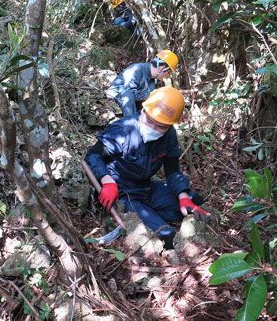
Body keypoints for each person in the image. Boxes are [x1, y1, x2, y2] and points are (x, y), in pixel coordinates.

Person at [85, 86, 210, 250]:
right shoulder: (124, 130)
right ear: (143, 109)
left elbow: (172, 169)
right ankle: (152, 219)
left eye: (161, 126)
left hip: (146, 187)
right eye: (149, 121)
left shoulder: (169, 136)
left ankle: (155, 212)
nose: (153, 128)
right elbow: (92, 155)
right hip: (121, 192)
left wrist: (183, 196)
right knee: (165, 234)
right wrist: (107, 182)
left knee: (195, 202)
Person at [106, 50, 178, 117]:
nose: (166, 75)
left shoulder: (152, 80)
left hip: (130, 105)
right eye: (168, 72)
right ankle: (131, 125)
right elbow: (128, 93)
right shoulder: (136, 69)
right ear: (162, 68)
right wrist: (153, 95)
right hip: (114, 99)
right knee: (128, 95)